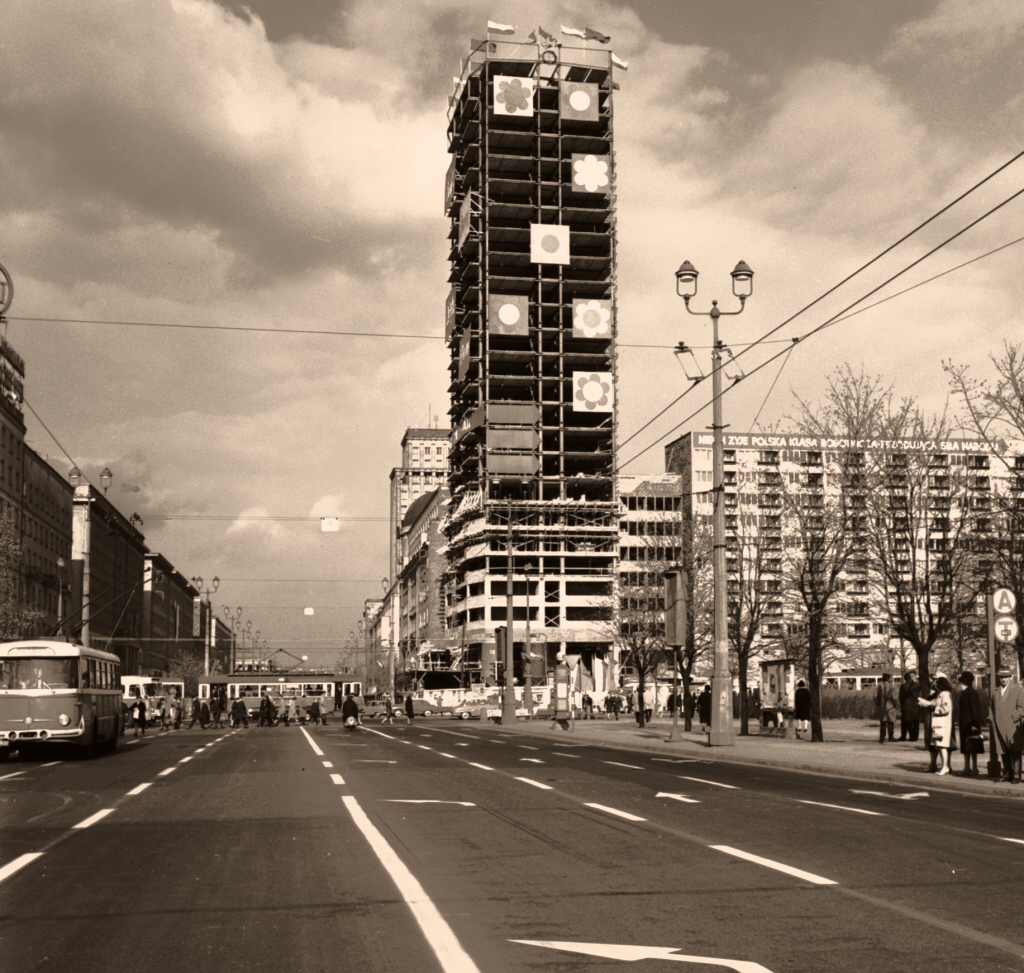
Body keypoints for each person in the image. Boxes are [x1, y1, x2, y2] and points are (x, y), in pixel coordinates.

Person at [992, 669, 1024, 784]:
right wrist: (991, 719)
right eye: (1001, 677)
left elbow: (1022, 707)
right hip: (999, 725)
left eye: (1006, 677)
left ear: (1010, 677)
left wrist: (1014, 717)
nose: (1004, 679)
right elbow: (991, 707)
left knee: (1015, 750)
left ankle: (1016, 775)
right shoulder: (995, 691)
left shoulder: (1018, 689)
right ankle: (1006, 774)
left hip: (1012, 725)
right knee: (1003, 749)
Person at [918, 674, 955, 775]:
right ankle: (944, 766)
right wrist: (925, 703)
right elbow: (935, 704)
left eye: (936, 682)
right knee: (939, 745)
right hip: (939, 724)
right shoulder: (940, 694)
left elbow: (945, 709)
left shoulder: (945, 694)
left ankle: (945, 767)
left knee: (942, 746)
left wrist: (932, 708)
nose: (934, 683)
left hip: (943, 724)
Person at [957, 671, 985, 777]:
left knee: (973, 746)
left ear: (963, 682)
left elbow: (975, 710)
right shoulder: (965, 693)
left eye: (960, 682)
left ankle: (974, 768)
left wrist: (974, 724)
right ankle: (967, 767)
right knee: (965, 746)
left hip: (971, 724)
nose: (958, 684)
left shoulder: (971, 693)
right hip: (965, 723)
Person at [876, 672, 898, 743]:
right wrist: (895, 705)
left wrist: (878, 703)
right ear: (889, 679)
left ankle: (882, 738)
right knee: (890, 722)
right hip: (890, 706)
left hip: (882, 707)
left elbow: (875, 696)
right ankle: (890, 737)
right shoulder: (892, 687)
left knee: (883, 723)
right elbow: (894, 697)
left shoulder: (879, 686)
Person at [899, 671, 920, 742]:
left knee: (907, 721)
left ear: (905, 678)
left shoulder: (903, 686)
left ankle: (910, 736)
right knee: (916, 721)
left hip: (907, 705)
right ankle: (915, 737)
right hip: (916, 704)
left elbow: (901, 697)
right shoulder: (917, 685)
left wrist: (902, 704)